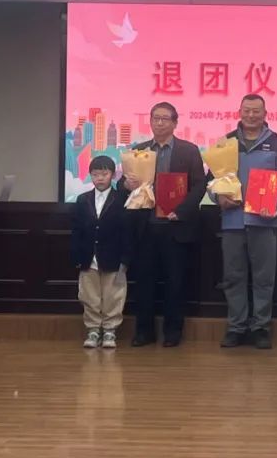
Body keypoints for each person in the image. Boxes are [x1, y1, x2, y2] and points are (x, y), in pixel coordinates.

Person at [119, 102, 206, 348]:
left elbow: (199, 186)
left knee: (175, 282)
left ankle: (173, 332)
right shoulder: (139, 151)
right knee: (144, 282)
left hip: (176, 227)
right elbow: (121, 187)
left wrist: (181, 211)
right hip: (146, 226)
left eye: (165, 119)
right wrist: (126, 185)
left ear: (175, 123)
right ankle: (144, 332)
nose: (159, 123)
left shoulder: (189, 151)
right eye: (155, 118)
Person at [214, 94, 277, 350]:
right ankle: (236, 327)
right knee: (233, 277)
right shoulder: (226, 143)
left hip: (264, 222)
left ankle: (261, 328)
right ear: (239, 112)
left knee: (264, 278)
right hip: (232, 221)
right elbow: (213, 181)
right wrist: (218, 198)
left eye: (256, 111)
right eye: (247, 110)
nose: (251, 115)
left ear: (265, 114)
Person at [71, 155, 132, 349]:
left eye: (104, 174)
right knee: (89, 296)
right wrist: (76, 256)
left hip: (113, 256)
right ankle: (93, 330)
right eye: (96, 174)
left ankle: (110, 330)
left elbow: (127, 232)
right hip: (88, 256)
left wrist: (126, 258)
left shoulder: (122, 199)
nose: (100, 178)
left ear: (113, 175)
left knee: (114, 295)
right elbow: (76, 230)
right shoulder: (82, 200)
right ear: (90, 175)